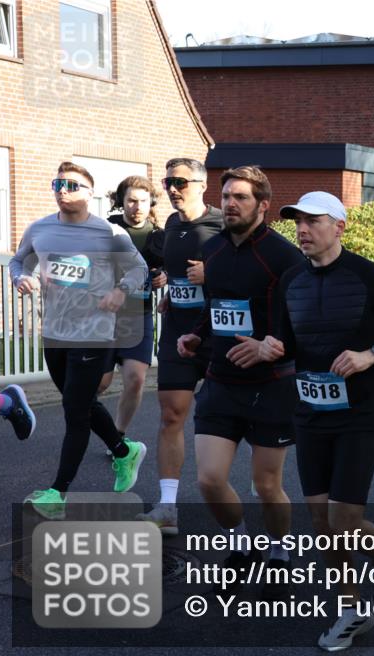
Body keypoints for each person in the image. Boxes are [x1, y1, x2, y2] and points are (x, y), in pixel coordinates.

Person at [256, 191, 374, 649]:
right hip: (308, 411)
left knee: (345, 518)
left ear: (339, 226)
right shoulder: (289, 281)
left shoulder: (371, 277)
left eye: (313, 221)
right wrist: (270, 348)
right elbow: (280, 340)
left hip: (358, 414)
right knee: (321, 520)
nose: (302, 230)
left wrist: (373, 354)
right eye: (298, 222)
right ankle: (349, 608)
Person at [176, 166, 305, 599]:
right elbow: (215, 305)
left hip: (270, 384)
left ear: (263, 206)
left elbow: (300, 319)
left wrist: (275, 345)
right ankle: (241, 542)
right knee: (210, 480)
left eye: (242, 197)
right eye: (227, 195)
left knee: (267, 485)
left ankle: (281, 549)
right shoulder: (210, 249)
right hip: (220, 380)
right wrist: (197, 333)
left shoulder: (284, 256)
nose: (231, 203)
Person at [9, 162, 148, 519]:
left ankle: (58, 493)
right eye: (58, 183)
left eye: (72, 185)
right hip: (55, 332)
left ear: (91, 193)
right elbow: (17, 262)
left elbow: (139, 269)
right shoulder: (39, 229)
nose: (63, 189)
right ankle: (123, 451)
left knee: (74, 410)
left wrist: (121, 291)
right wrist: (21, 279)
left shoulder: (109, 233)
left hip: (95, 333)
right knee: (80, 402)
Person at [139, 158, 224, 535]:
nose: (172, 188)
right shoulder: (171, 225)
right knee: (171, 415)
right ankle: (168, 507)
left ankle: (259, 488)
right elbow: (173, 270)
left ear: (202, 185)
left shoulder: (224, 223)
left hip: (219, 334)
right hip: (176, 331)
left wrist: (213, 274)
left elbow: (254, 272)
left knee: (229, 417)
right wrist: (171, 289)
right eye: (167, 181)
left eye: (180, 182)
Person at [97, 176, 166, 440]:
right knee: (100, 384)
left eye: (143, 201)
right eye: (131, 200)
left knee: (136, 379)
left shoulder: (160, 236)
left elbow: (170, 267)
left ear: (152, 203)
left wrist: (164, 276)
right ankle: (85, 424)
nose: (137, 206)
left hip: (139, 316)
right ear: (121, 202)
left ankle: (118, 435)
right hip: (105, 316)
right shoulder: (107, 229)